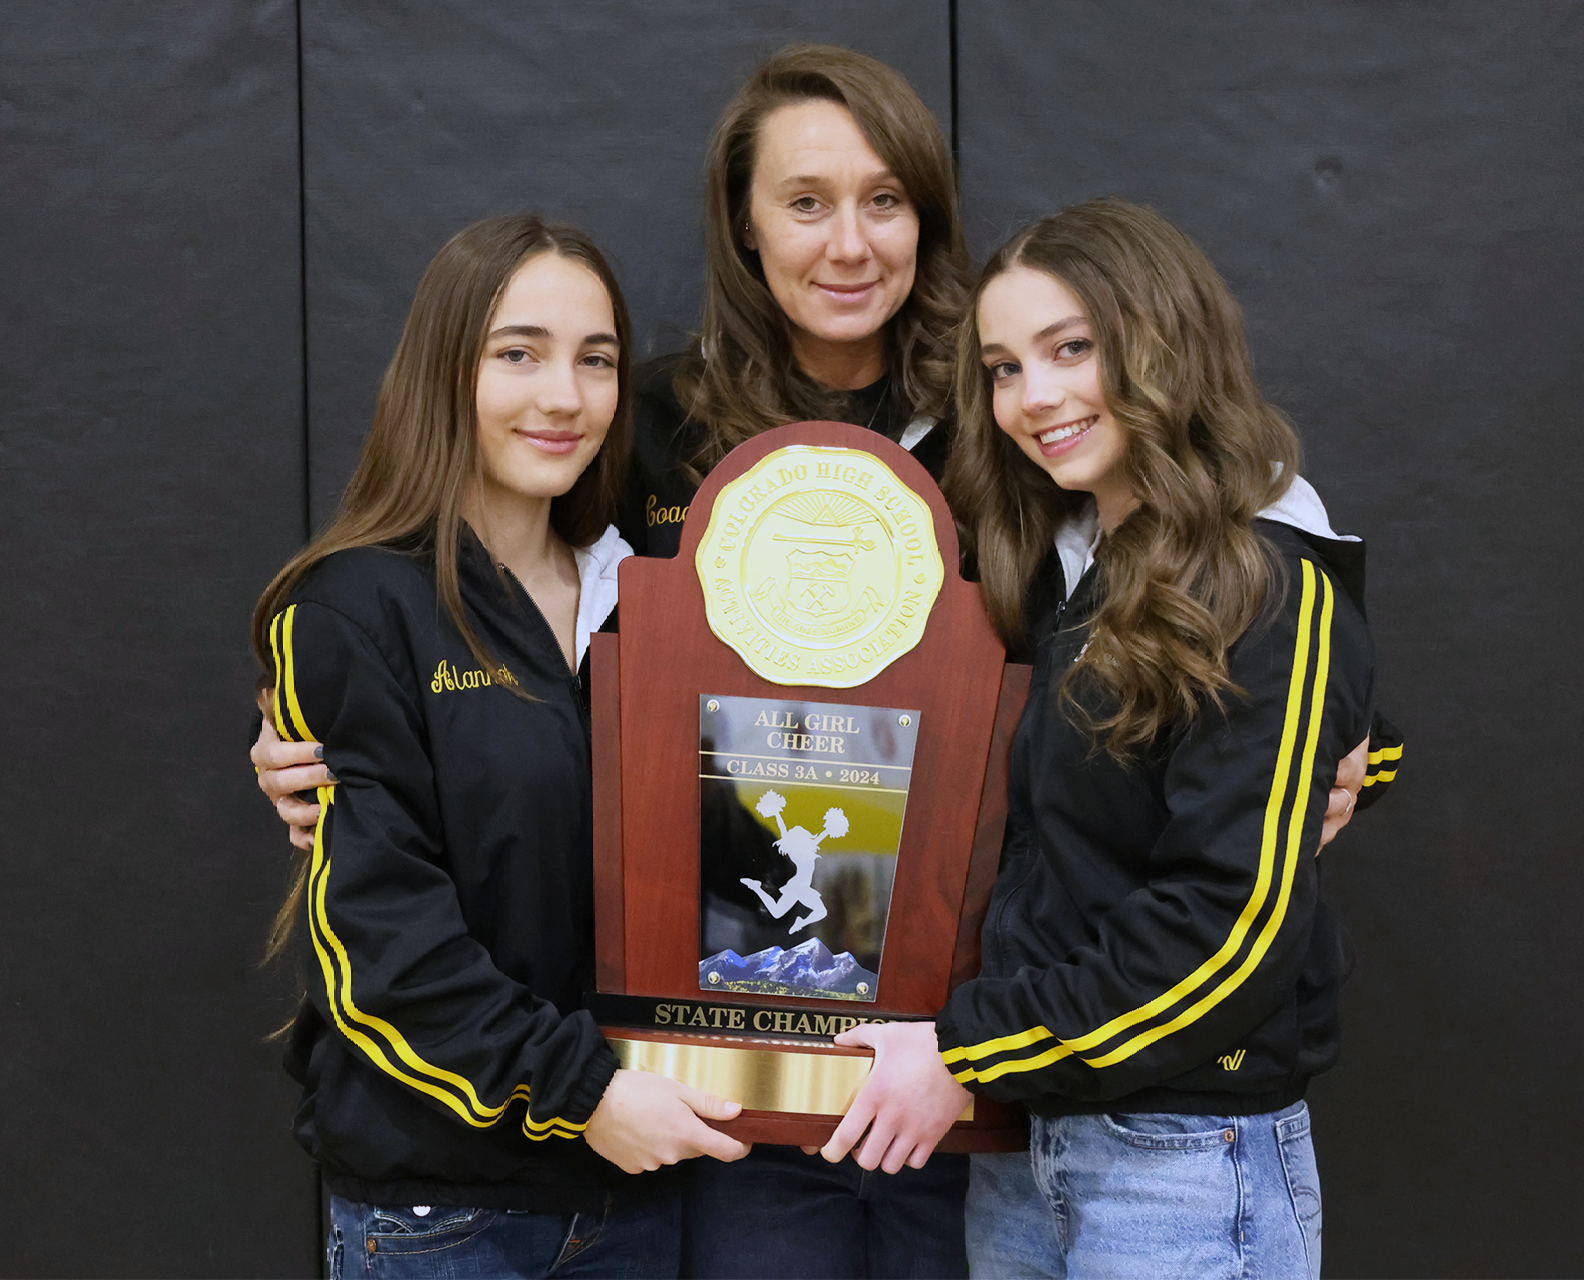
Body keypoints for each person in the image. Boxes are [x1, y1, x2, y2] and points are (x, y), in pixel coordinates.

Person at [251, 46, 1382, 1279]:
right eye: (805, 201)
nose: (848, 243)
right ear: (742, 228)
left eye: (885, 200)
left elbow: (1229, 650)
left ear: (927, 221)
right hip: (733, 1079)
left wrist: (1347, 776)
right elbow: (525, 672)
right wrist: (314, 755)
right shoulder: (644, 426)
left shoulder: (1008, 424)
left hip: (968, 1077)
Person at [820, 198, 1381, 1279]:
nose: (1036, 397)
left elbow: (1226, 928)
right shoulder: (1058, 560)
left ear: (1161, 339)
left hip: (1180, 1161)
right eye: (1004, 366)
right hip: (1027, 1151)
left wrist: (965, 1049)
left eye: (1071, 348)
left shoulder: (1267, 577)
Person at [252, 213, 748, 1280]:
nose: (563, 395)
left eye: (596, 359)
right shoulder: (353, 609)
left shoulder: (653, 601)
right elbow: (384, 949)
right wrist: (586, 1091)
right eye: (517, 353)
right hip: (449, 1214)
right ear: (445, 369)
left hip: (640, 1197)